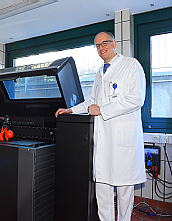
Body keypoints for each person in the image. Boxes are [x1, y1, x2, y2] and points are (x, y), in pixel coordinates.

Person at [55, 32, 146, 221]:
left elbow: (137, 99)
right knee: (102, 188)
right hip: (103, 139)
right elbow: (90, 101)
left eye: (104, 43)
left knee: (123, 189)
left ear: (113, 43)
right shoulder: (100, 72)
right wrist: (70, 110)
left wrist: (103, 110)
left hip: (122, 139)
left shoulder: (131, 65)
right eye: (97, 46)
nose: (101, 48)